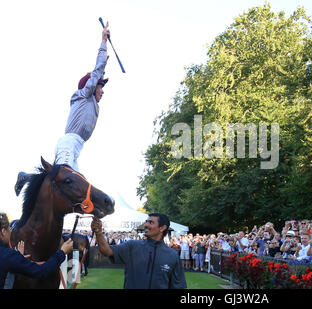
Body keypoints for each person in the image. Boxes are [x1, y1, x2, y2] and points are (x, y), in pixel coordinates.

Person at [14, 22, 111, 195]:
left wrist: (103, 67)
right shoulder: (83, 94)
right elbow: (96, 72)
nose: (102, 91)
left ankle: (27, 177)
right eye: (100, 87)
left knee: (76, 186)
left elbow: (98, 73)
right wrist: (103, 43)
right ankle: (28, 179)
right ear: (90, 87)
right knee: (65, 182)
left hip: (76, 146)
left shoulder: (92, 103)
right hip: (69, 142)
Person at [91, 213, 187, 289]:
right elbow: (106, 251)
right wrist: (99, 231)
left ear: (162, 228)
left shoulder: (172, 255)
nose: (146, 225)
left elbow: (178, 286)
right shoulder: (132, 246)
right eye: (146, 222)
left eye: (151, 222)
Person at [0, 212, 73, 289]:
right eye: (9, 229)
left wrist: (18, 259)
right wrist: (62, 252)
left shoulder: (9, 256)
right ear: (3, 232)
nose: (11, 231)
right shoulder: (8, 255)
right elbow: (41, 272)